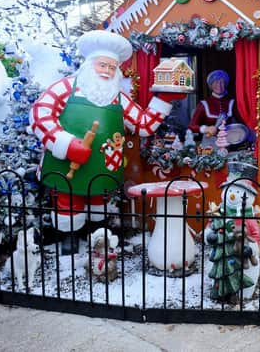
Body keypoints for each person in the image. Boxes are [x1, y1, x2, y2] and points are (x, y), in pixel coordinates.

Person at [30, 30, 183, 254]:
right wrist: (66, 144)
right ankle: (68, 236)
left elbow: (142, 125)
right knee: (68, 198)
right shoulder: (64, 88)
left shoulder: (117, 96)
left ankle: (97, 235)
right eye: (103, 65)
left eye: (112, 68)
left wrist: (163, 100)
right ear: (90, 64)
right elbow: (40, 114)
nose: (107, 71)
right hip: (67, 163)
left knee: (98, 200)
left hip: (103, 164)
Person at [188, 70, 242, 139]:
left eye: (222, 82)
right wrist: (206, 129)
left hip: (228, 141)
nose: (219, 85)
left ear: (225, 84)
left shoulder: (232, 103)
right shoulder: (203, 104)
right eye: (216, 82)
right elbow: (192, 126)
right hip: (209, 143)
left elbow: (242, 123)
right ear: (211, 85)